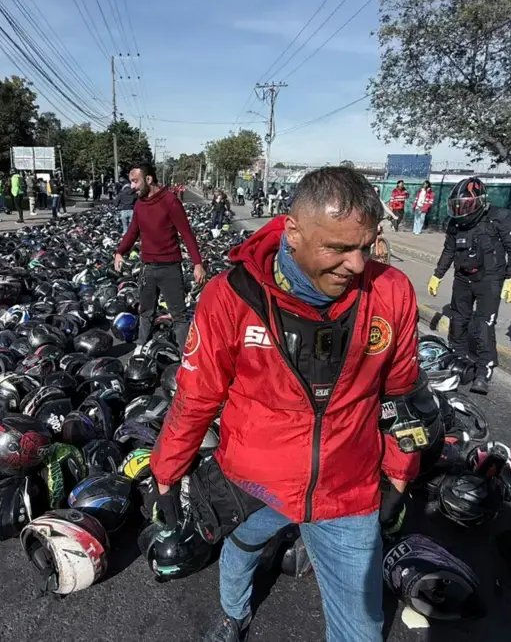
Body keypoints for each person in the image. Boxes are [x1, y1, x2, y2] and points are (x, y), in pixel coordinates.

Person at [150, 166, 421, 642]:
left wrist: (401, 469)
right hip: (255, 480)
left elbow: (401, 391)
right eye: (338, 248)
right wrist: (167, 471)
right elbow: (196, 396)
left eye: (366, 245)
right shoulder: (231, 297)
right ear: (292, 232)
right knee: (242, 547)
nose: (358, 265)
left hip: (347, 488)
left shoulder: (391, 291)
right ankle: (233, 614)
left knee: (362, 628)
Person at [428, 177, 511, 394]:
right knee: (458, 321)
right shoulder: (455, 223)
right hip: (462, 277)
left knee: (482, 326)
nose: (461, 211)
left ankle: (484, 370)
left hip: (489, 279)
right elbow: (449, 250)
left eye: (465, 206)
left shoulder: (501, 218)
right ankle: (458, 360)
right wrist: (438, 274)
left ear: (480, 202)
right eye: (457, 206)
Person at [113, 162, 206, 348]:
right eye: (131, 182)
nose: (132, 187)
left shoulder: (170, 201)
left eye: (135, 181)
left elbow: (186, 233)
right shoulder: (139, 205)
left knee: (178, 315)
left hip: (170, 268)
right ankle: (141, 346)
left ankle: (184, 358)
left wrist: (198, 263)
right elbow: (132, 232)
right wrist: (119, 252)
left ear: (148, 179)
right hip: (147, 268)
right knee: (145, 311)